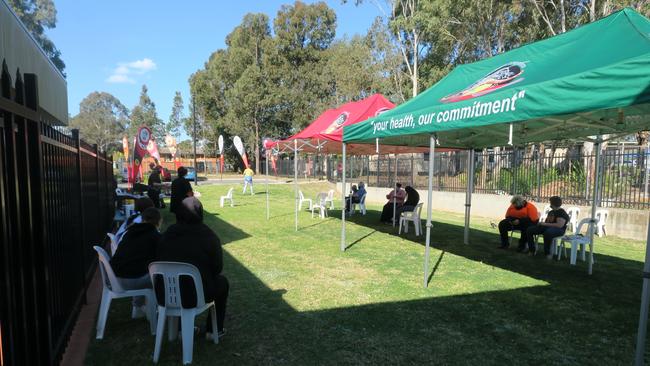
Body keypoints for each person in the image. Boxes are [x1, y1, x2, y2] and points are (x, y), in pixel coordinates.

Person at [157, 197, 229, 338]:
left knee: (181, 282)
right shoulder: (209, 236)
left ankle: (180, 329)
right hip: (197, 295)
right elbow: (217, 268)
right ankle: (214, 330)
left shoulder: (167, 235)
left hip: (165, 293)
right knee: (222, 282)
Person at [110, 207, 162, 317]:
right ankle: (158, 309)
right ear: (159, 221)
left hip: (114, 278)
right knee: (158, 273)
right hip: (133, 280)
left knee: (141, 269)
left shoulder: (129, 232)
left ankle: (138, 308)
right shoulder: (155, 236)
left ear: (142, 219)